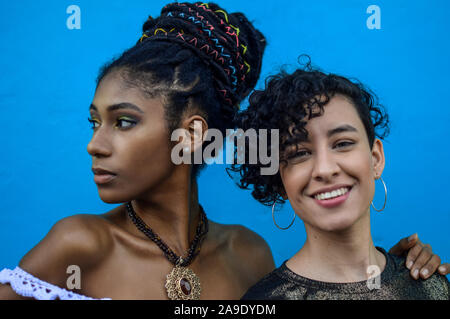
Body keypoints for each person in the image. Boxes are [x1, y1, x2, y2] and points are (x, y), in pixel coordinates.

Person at [0, 3, 446, 300]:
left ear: (192, 134)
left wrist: (403, 276)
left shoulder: (250, 256)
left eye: (124, 121)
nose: (95, 144)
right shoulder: (78, 244)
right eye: (95, 122)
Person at [231, 62, 449, 299]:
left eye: (343, 143)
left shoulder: (430, 284)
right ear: (280, 182)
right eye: (298, 153)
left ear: (375, 158)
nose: (325, 169)